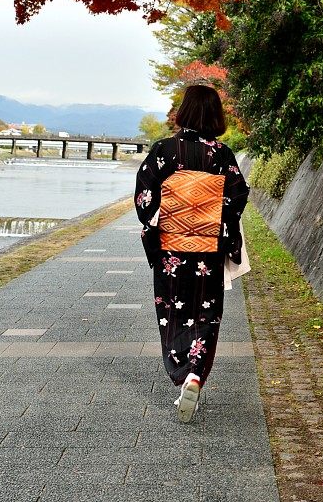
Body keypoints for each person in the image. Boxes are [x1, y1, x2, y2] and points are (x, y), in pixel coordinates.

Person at [134, 85, 249, 422]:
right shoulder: (223, 155)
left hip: (172, 248)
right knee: (206, 314)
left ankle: (181, 373)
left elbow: (144, 195)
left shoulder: (165, 150)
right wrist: (215, 217)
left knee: (172, 313)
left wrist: (165, 213)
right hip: (208, 250)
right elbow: (238, 195)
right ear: (216, 115)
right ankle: (196, 374)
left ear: (184, 112)